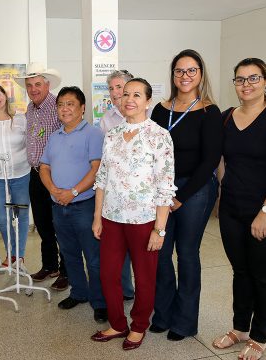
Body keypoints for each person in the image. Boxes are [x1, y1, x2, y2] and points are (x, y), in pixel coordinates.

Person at [212, 58, 266, 359]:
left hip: (264, 211)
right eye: (240, 79)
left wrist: (265, 210)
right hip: (231, 209)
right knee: (240, 271)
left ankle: (259, 336)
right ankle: (240, 328)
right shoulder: (226, 117)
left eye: (253, 78)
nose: (246, 85)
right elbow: (223, 161)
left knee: (263, 275)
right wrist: (222, 194)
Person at [90, 78, 175, 350]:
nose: (129, 99)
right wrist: (97, 216)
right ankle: (117, 323)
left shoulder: (159, 136)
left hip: (144, 220)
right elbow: (102, 178)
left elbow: (165, 185)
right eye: (126, 94)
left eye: (137, 95)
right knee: (108, 274)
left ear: (148, 101)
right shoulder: (112, 135)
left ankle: (139, 326)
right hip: (112, 217)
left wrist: (160, 229)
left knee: (145, 277)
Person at [150, 49, 223, 341]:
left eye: (192, 70)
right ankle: (163, 314)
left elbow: (210, 160)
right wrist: (160, 192)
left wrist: (180, 196)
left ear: (201, 74)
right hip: (161, 190)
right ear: (173, 75)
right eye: (180, 70)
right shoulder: (160, 109)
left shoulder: (209, 112)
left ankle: (185, 321)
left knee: (187, 253)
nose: (185, 76)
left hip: (196, 189)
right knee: (160, 252)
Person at [38, 86, 107, 323]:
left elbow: (97, 169)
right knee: (69, 255)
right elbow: (44, 167)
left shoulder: (93, 134)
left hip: (84, 206)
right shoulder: (54, 136)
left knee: (94, 258)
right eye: (60, 105)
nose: (65, 109)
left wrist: (74, 192)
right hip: (59, 206)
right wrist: (53, 190)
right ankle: (79, 293)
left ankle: (100, 302)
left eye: (70, 104)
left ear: (82, 108)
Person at [14, 63, 68, 291]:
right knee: (43, 224)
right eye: (29, 85)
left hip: (56, 174)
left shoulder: (57, 106)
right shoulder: (30, 108)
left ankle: (66, 272)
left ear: (47, 85)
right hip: (35, 174)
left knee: (61, 225)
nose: (33, 89)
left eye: (37, 84)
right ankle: (50, 265)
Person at [98, 69, 136, 301]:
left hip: (140, 195)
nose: (114, 93)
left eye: (119, 87)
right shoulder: (107, 120)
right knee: (119, 248)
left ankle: (150, 296)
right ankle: (125, 291)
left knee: (142, 251)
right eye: (111, 88)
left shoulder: (148, 114)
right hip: (115, 194)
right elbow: (105, 161)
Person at [0, 83, 30, 265]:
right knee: (3, 218)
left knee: (21, 215)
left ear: (5, 95)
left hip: (21, 175)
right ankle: (10, 252)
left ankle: (19, 255)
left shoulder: (20, 119)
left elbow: (31, 144)